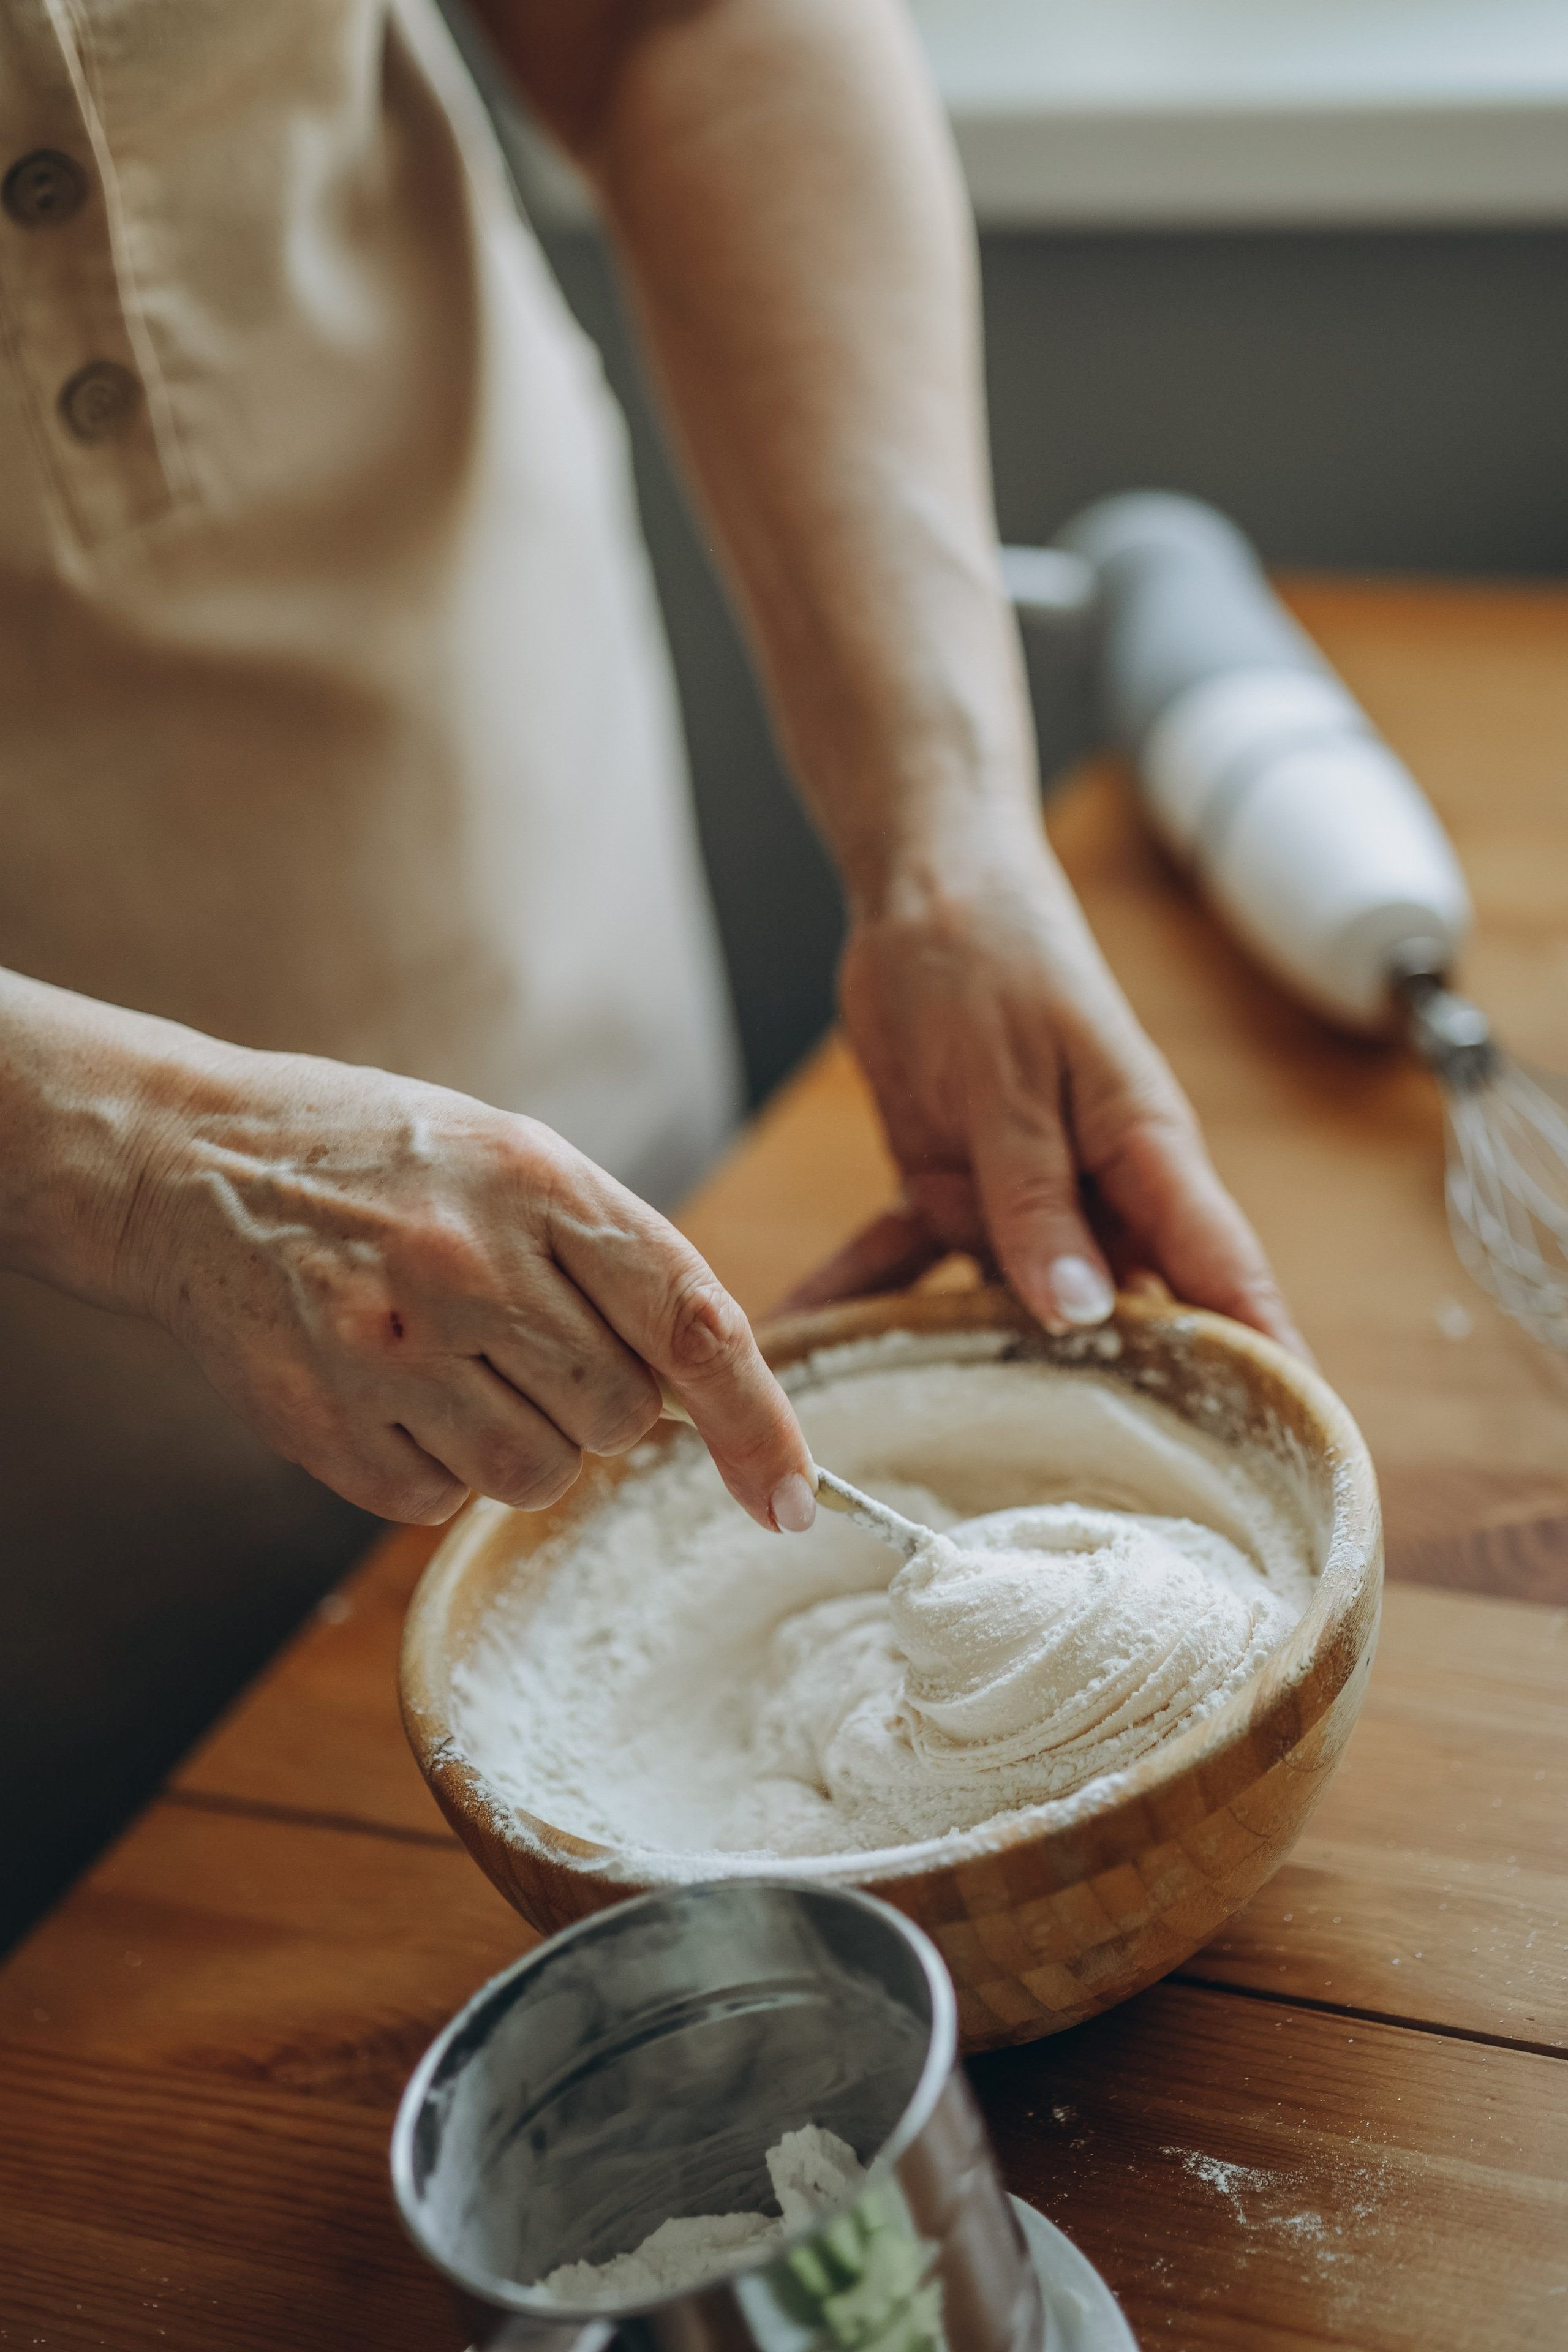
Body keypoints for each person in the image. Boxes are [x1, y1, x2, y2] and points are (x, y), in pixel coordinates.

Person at [0, 0, 1300, 1936]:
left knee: (665, 1398)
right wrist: (131, 1157)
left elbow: (676, 22)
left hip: (460, 752)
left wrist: (944, 836)